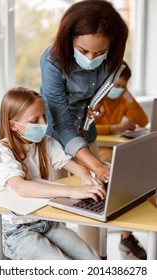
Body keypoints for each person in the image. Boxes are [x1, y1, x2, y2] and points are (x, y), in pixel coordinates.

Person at [40, 0, 128, 251]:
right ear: (69, 40)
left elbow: (94, 95)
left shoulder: (113, 59)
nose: (91, 58)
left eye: (100, 53)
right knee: (59, 211)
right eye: (84, 50)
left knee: (95, 203)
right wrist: (96, 165)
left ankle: (96, 260)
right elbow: (62, 122)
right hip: (55, 140)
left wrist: (94, 106)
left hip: (87, 132)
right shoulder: (52, 62)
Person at [0, 87, 106, 260]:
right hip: (16, 232)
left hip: (47, 222)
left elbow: (73, 165)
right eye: (34, 120)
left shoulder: (46, 142)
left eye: (44, 117)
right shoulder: (2, 150)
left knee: (93, 259)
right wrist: (72, 191)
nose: (43, 124)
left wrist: (87, 178)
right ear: (13, 125)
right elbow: (22, 187)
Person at [93, 61, 148, 260]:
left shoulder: (123, 99)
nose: (118, 90)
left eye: (123, 86)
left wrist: (128, 95)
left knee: (142, 176)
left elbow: (142, 121)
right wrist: (116, 128)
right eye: (115, 86)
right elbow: (87, 128)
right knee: (123, 177)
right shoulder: (97, 100)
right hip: (99, 152)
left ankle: (127, 237)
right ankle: (126, 237)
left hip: (119, 149)